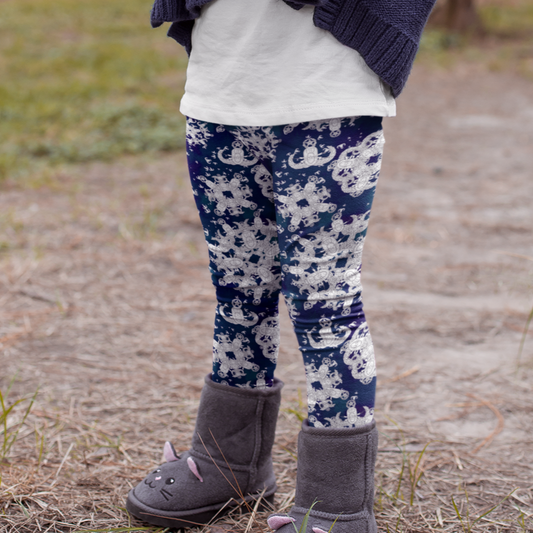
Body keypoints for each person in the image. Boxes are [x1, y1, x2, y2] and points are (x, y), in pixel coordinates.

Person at [126, 1, 436, 531]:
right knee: (239, 289)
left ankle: (336, 506)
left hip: (328, 88)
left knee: (325, 300)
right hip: (222, 83)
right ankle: (231, 462)